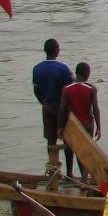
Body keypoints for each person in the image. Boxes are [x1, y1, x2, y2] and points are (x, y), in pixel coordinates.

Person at [32, 39, 72, 182]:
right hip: (61, 109)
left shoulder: (37, 68)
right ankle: (70, 174)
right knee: (68, 141)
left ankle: (52, 171)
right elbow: (69, 91)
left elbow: (36, 90)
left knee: (50, 140)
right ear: (57, 51)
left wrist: (43, 102)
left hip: (47, 107)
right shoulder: (63, 68)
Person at [57, 62, 101, 181]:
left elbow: (62, 108)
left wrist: (60, 127)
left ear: (76, 73)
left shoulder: (66, 89)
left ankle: (69, 174)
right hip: (87, 123)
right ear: (87, 73)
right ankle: (84, 179)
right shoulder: (91, 88)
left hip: (71, 124)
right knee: (85, 152)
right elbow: (95, 108)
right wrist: (99, 127)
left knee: (69, 149)